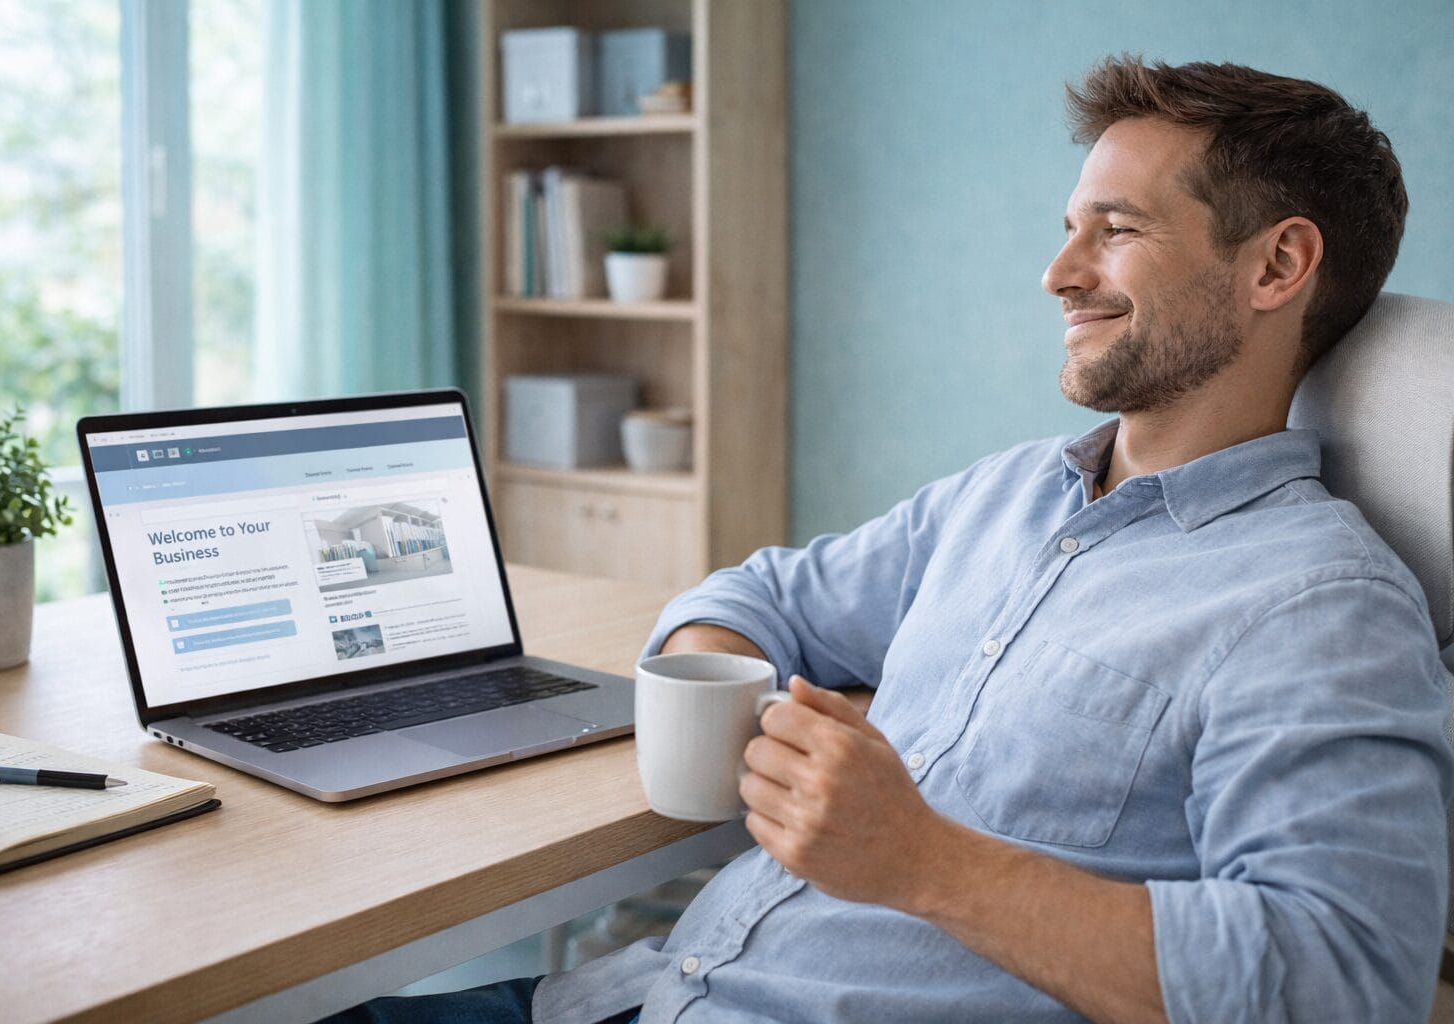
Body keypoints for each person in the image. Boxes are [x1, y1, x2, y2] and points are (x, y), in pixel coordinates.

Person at [329, 56, 1452, 1024]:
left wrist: (925, 860)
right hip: (641, 989)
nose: (1059, 274)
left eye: (1117, 232)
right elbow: (764, 595)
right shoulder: (1007, 496)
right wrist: (748, 708)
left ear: (1276, 266)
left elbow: (1344, 982)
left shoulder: (1322, 606)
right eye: (1070, 229)